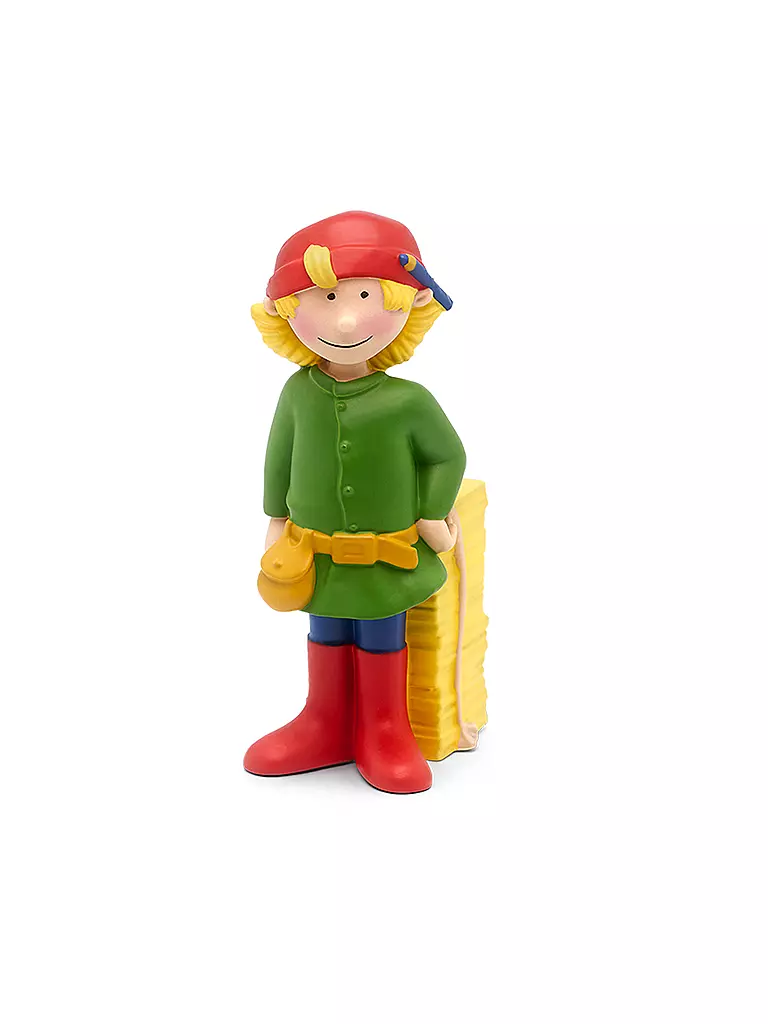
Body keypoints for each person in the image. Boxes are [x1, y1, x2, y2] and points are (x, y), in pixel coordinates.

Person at [245, 211, 466, 793]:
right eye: (326, 298)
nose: (344, 320)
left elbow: (447, 456)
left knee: (380, 634)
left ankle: (384, 728)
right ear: (287, 311)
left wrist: (432, 511)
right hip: (315, 555)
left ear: (408, 301)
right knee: (325, 629)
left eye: (365, 296)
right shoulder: (298, 392)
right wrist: (275, 520)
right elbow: (279, 455)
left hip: (387, 557)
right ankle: (326, 721)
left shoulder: (408, 402)